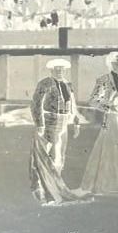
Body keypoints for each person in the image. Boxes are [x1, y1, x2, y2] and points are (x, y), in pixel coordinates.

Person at [28, 58, 88, 205]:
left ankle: (55, 188)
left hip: (64, 123)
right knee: (42, 156)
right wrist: (40, 124)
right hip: (49, 121)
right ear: (51, 70)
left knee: (59, 157)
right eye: (57, 69)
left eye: (62, 69)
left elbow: (72, 105)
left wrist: (76, 122)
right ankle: (39, 188)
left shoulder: (68, 85)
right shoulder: (44, 83)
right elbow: (36, 104)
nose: (60, 71)